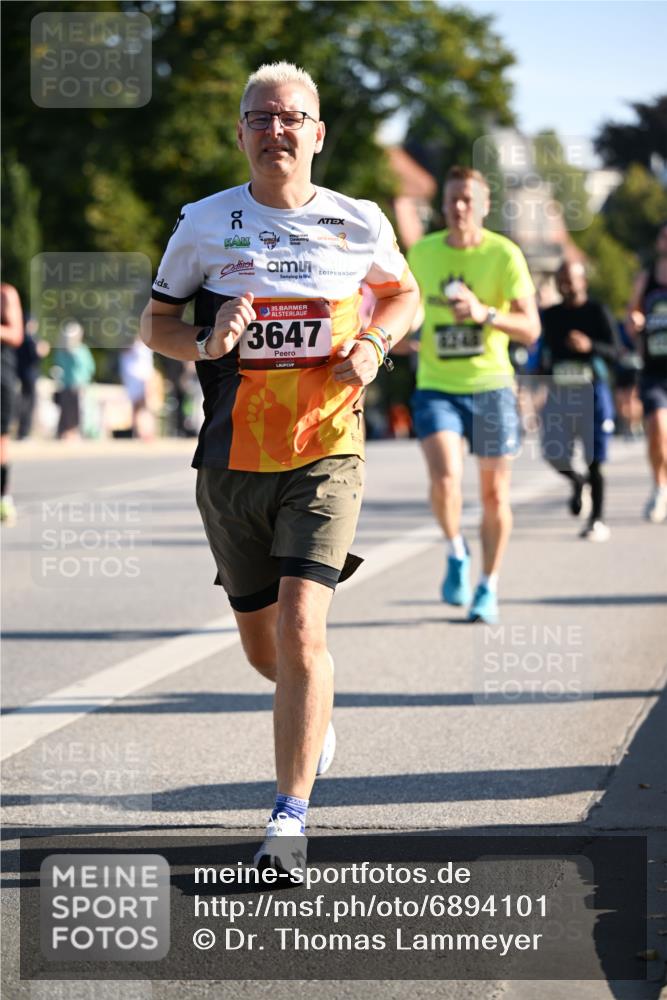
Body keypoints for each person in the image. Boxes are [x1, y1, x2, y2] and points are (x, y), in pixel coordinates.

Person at [140, 62, 419, 872]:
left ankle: (287, 822)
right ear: (240, 133)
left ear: (317, 133)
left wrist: (372, 343)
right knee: (266, 649)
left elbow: (402, 297)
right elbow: (157, 322)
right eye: (259, 118)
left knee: (303, 628)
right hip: (231, 459)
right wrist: (205, 340)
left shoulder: (358, 222)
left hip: (326, 450)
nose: (275, 130)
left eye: (291, 117)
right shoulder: (201, 223)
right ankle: (311, 711)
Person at [406, 166, 539, 624]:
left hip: (491, 387)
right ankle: (455, 549)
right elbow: (401, 307)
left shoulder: (504, 255)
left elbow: (530, 329)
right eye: (452, 199)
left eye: (468, 199)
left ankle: (488, 585)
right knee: (446, 479)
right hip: (437, 385)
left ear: (484, 206)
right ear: (443, 206)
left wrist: (485, 314)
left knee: (495, 495)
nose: (460, 207)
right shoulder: (421, 253)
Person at [539, 261, 619, 542]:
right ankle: (577, 481)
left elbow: (616, 352)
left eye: (571, 279)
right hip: (561, 395)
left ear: (583, 281)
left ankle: (596, 520)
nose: (566, 285)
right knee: (553, 453)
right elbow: (544, 355)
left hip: (593, 393)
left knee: (595, 460)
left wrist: (590, 346)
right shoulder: (550, 316)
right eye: (562, 279)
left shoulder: (597, 312)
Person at [626, 221, 667, 523]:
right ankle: (659, 486)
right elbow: (631, 319)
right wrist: (636, 321)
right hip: (654, 369)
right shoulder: (647, 279)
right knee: (657, 428)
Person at [1, 282, 24, 523]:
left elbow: (16, 334)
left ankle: (3, 498)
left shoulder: (6, 294)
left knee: (1, 439)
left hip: (1, 376)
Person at [52, 321, 96, 440]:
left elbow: (90, 367)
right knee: (66, 412)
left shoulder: (82, 350)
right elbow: (58, 366)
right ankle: (64, 433)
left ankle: (76, 433)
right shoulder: (61, 351)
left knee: (77, 413)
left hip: (78, 386)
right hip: (65, 386)